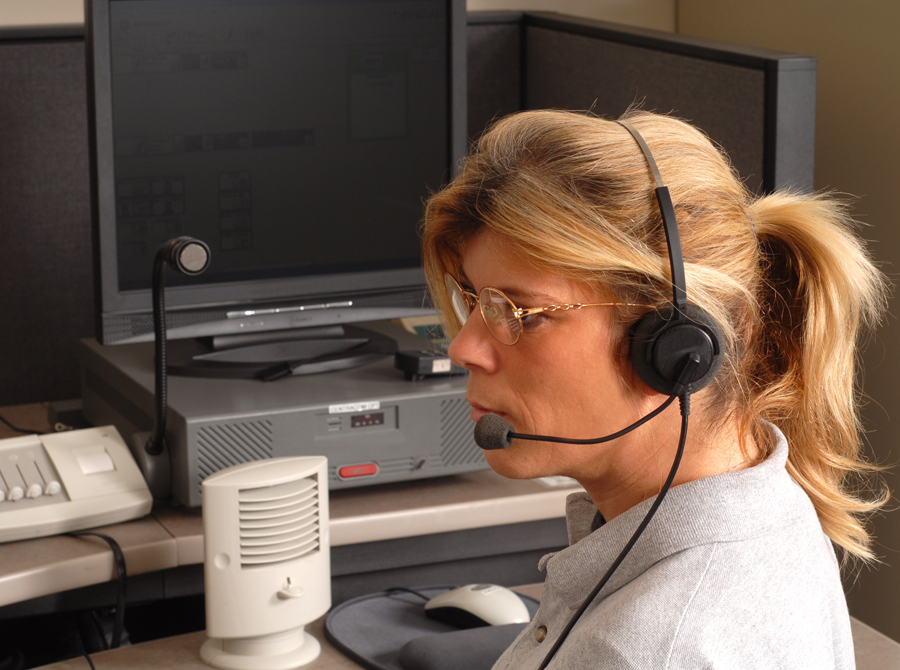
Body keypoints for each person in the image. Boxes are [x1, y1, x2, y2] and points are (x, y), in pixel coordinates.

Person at [419, 109, 888, 669]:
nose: (464, 347)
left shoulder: (646, 650)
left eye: (520, 312)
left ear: (670, 346)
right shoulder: (764, 500)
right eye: (473, 298)